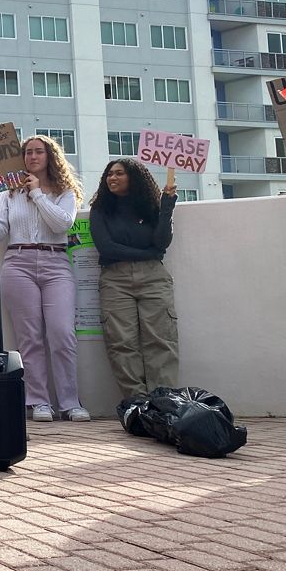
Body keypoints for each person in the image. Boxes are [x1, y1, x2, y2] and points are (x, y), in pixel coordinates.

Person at [0, 134, 90, 422]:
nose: (32, 157)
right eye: (27, 153)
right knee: (30, 338)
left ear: (51, 156)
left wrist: (37, 193)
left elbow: (62, 223)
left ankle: (70, 401)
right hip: (18, 262)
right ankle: (38, 401)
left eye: (38, 152)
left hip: (56, 262)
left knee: (62, 333)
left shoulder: (65, 192)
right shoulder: (7, 193)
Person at [89, 158, 179, 399]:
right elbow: (106, 248)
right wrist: (148, 254)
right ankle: (137, 404)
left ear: (134, 177)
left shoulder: (151, 206)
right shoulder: (100, 210)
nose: (112, 178)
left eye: (119, 173)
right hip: (115, 279)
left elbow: (162, 242)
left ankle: (163, 402)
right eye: (109, 174)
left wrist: (167, 205)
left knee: (161, 340)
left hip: (153, 278)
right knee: (121, 343)